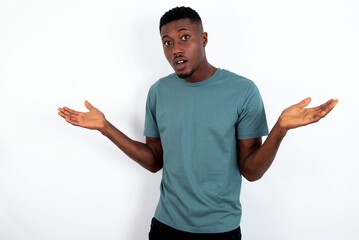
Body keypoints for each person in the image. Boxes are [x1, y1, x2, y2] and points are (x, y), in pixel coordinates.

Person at [58, 6, 338, 240]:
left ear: (203, 38)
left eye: (184, 38)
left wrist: (279, 130)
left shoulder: (242, 91)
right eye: (167, 43)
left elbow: (251, 171)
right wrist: (105, 127)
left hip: (220, 231)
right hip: (165, 227)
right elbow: (155, 160)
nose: (175, 49)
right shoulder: (158, 92)